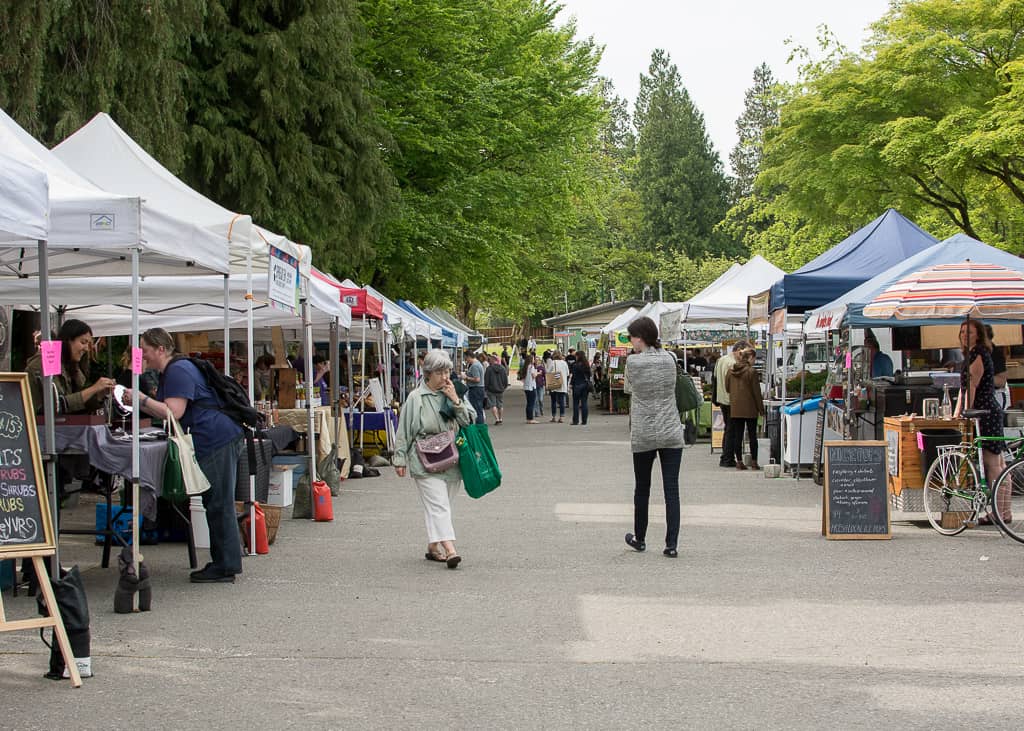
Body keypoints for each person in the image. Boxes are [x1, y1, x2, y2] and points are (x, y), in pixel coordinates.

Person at [127, 328, 244, 584]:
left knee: (218, 501)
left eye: (145, 350)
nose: (143, 355)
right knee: (217, 500)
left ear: (160, 349)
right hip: (217, 436)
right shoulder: (176, 369)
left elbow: (173, 411)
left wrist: (141, 399)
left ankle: (225, 565)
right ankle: (225, 561)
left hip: (215, 438)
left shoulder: (178, 370)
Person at [393, 350, 476, 568]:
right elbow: (404, 430)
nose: (445, 376)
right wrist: (399, 458)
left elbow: (469, 421)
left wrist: (456, 400)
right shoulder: (415, 398)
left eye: (448, 370)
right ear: (428, 373)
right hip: (424, 460)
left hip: (451, 458)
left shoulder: (454, 392)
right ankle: (451, 550)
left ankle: (433, 546)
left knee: (442, 505)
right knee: (439, 506)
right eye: (440, 372)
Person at [622, 316, 684, 557]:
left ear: (641, 337)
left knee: (642, 488)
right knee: (671, 489)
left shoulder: (633, 363)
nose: (631, 342)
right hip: (670, 428)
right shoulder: (670, 358)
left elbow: (629, 388)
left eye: (632, 337)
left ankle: (640, 538)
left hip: (644, 431)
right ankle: (671, 544)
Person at [954, 320, 1005, 495]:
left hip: (984, 413)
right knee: (998, 464)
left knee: (992, 463)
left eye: (969, 333)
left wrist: (964, 412)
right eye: (962, 332)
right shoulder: (977, 353)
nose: (964, 336)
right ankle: (1003, 511)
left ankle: (999, 510)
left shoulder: (977, 354)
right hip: (989, 411)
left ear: (979, 335)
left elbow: (971, 387)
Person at [25, 319, 116, 416]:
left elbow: (74, 406)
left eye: (88, 344)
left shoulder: (70, 365)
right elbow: (58, 404)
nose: (86, 349)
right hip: (39, 427)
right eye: (83, 342)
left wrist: (98, 395)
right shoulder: (48, 359)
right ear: (68, 340)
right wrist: (94, 389)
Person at [725, 347, 764, 471]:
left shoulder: (730, 371)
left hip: (735, 408)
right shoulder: (751, 372)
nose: (754, 361)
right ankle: (754, 462)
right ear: (750, 357)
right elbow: (756, 392)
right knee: (752, 435)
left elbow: (727, 388)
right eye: (754, 358)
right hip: (750, 407)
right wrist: (761, 409)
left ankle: (739, 461)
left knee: (738, 435)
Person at [713, 341, 748, 468]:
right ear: (739, 350)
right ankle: (727, 458)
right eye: (745, 353)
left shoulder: (721, 360)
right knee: (732, 431)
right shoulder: (733, 364)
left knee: (728, 429)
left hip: (722, 398)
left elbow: (715, 379)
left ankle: (726, 456)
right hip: (731, 400)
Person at [985, 324, 1009, 411]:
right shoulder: (974, 353)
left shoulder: (996, 354)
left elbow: (1001, 381)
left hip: (995, 396)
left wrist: (982, 376)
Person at [569, 347, 592, 426]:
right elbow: (589, 375)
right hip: (585, 385)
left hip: (577, 386)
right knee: (584, 403)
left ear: (578, 356)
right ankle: (584, 421)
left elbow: (574, 376)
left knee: (576, 404)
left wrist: (571, 384)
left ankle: (575, 421)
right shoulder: (587, 365)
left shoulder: (575, 365)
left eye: (576, 356)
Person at [484, 353, 509, 425]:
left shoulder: (489, 369)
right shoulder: (502, 368)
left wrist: (486, 388)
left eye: (490, 359)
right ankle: (501, 418)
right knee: (500, 405)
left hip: (491, 390)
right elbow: (505, 380)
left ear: (492, 360)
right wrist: (503, 387)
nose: (489, 361)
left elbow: (486, 380)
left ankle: (497, 419)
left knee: (493, 405)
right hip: (500, 390)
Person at [462, 352, 486, 424]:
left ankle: (479, 425)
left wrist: (466, 377)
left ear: (469, 357)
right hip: (479, 389)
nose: (466, 360)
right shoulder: (478, 364)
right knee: (479, 408)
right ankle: (480, 425)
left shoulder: (475, 366)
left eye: (466, 358)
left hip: (476, 389)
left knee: (477, 409)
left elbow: (477, 379)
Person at [547, 351, 570, 423]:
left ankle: (554, 417)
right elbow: (567, 373)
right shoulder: (564, 363)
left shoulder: (552, 362)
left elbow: (548, 372)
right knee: (562, 401)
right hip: (562, 383)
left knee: (553, 401)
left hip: (554, 383)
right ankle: (561, 417)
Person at [520, 353, 539, 424]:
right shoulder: (531, 367)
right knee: (532, 403)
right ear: (531, 360)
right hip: (531, 387)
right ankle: (530, 418)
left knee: (528, 403)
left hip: (526, 387)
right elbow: (533, 376)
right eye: (533, 359)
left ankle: (528, 418)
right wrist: (538, 373)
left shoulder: (525, 367)